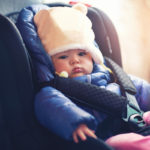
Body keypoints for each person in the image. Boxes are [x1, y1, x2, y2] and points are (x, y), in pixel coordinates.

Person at [17, 3, 150, 150]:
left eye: (82, 53)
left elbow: (141, 89)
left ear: (93, 56)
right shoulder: (55, 90)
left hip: (138, 127)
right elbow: (51, 105)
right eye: (63, 56)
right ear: (49, 63)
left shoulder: (114, 79)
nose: (75, 60)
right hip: (103, 138)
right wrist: (76, 122)